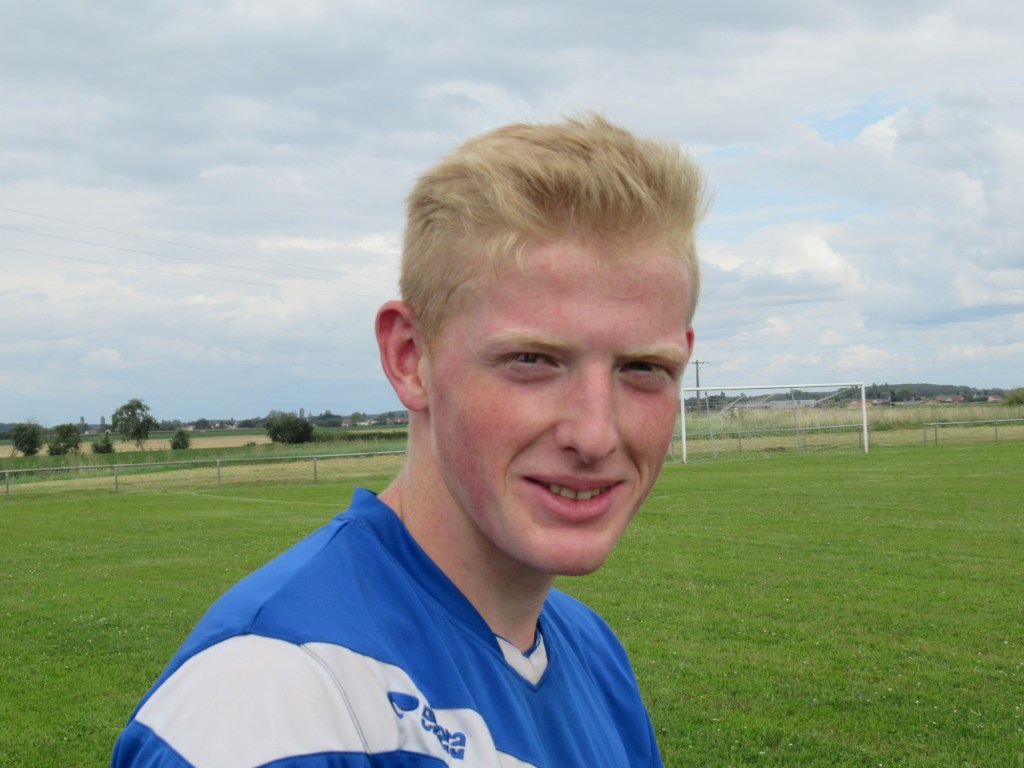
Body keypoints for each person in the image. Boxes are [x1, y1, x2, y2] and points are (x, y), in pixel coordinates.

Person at [112, 114, 707, 767]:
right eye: (532, 360)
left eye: (643, 368)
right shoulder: (275, 699)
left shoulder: (592, 652)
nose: (595, 435)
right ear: (409, 357)